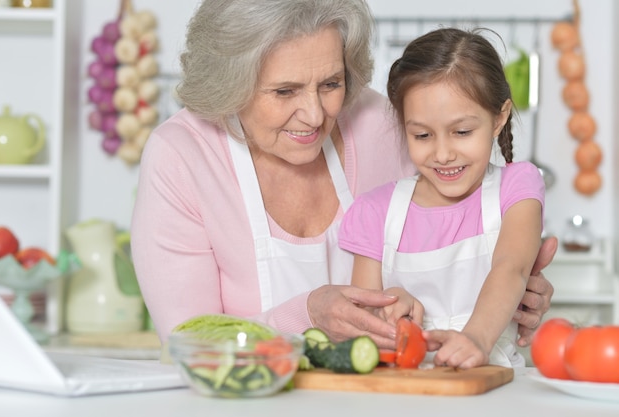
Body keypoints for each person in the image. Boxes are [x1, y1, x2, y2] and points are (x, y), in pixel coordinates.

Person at [130, 0, 556, 351]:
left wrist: (509, 293)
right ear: (230, 83)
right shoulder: (183, 156)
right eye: (285, 91)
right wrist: (308, 315)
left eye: (331, 84)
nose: (316, 115)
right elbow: (190, 345)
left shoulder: (376, 122)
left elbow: (462, 238)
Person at [339, 27, 545, 368]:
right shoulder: (376, 211)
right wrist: (389, 308)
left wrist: (476, 338)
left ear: (499, 118)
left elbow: (512, 267)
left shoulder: (517, 188)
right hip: (403, 391)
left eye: (462, 132)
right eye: (422, 135)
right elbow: (364, 321)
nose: (443, 153)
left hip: (494, 387)